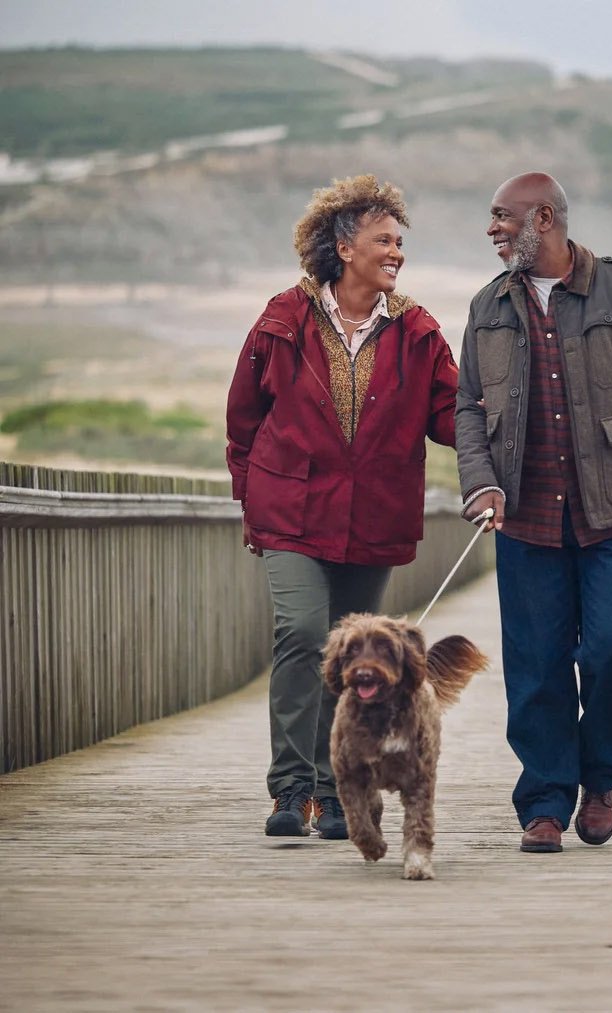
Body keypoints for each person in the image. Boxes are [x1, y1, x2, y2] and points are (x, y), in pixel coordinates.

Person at [454, 171, 612, 853]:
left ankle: (601, 779)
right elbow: (468, 408)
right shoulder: (487, 305)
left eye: (503, 217)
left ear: (544, 219)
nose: (493, 230)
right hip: (525, 519)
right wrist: (481, 482)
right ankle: (546, 801)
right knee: (536, 666)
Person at [226, 174, 459, 838]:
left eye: (399, 242)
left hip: (373, 514)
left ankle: (334, 791)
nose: (396, 253)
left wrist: (498, 446)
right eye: (384, 240)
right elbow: (244, 418)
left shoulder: (417, 330)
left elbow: (452, 415)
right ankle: (290, 787)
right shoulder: (283, 318)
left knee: (355, 656)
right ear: (344, 246)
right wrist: (249, 500)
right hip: (290, 510)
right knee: (302, 632)